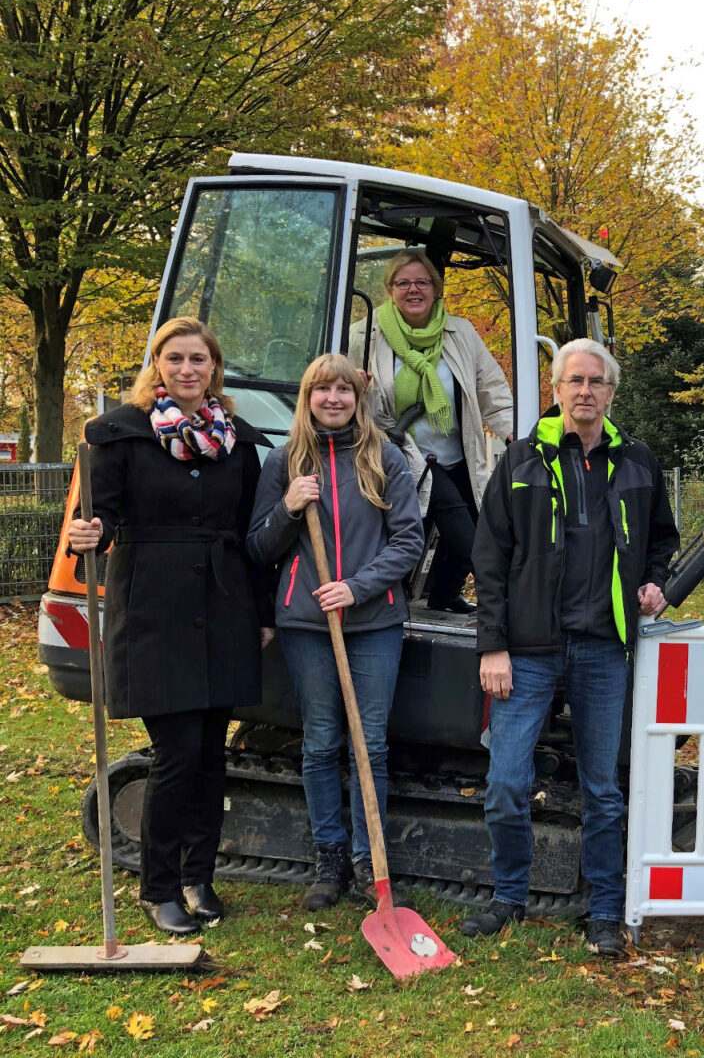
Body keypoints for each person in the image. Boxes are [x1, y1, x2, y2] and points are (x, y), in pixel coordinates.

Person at [462, 338, 679, 956]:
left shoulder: (637, 460)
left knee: (603, 789)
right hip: (526, 650)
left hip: (604, 647)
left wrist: (656, 581)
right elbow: (491, 558)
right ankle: (509, 897)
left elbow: (662, 538)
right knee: (505, 781)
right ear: (555, 389)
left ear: (612, 391)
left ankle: (605, 910)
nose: (585, 391)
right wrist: (491, 646)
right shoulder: (523, 459)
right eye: (574, 380)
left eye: (597, 381)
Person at [67, 316, 272, 936]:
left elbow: (252, 530)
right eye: (175, 359)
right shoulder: (119, 437)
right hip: (155, 605)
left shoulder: (236, 440)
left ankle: (199, 875)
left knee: (212, 753)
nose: (187, 370)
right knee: (177, 752)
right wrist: (86, 534)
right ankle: (159, 887)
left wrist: (260, 612)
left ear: (215, 369)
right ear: (157, 367)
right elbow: (94, 519)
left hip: (224, 603)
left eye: (199, 360)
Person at [247, 353, 423, 911]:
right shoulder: (285, 463)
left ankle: (368, 855)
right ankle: (328, 860)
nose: (333, 399)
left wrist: (357, 587)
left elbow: (408, 541)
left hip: (373, 623)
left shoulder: (383, 457)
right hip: (306, 623)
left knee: (368, 745)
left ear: (357, 396)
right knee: (322, 741)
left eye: (343, 390)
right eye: (321, 389)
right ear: (307, 397)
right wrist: (291, 509)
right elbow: (257, 547)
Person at [349, 250, 513, 613]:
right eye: (403, 283)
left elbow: (491, 389)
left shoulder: (461, 332)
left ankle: (443, 595)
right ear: (389, 289)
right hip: (403, 451)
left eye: (422, 282)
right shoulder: (364, 336)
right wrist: (353, 385)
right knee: (468, 536)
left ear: (436, 289)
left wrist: (515, 435)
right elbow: (333, 387)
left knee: (481, 519)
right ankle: (501, 604)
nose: (413, 290)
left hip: (457, 450)